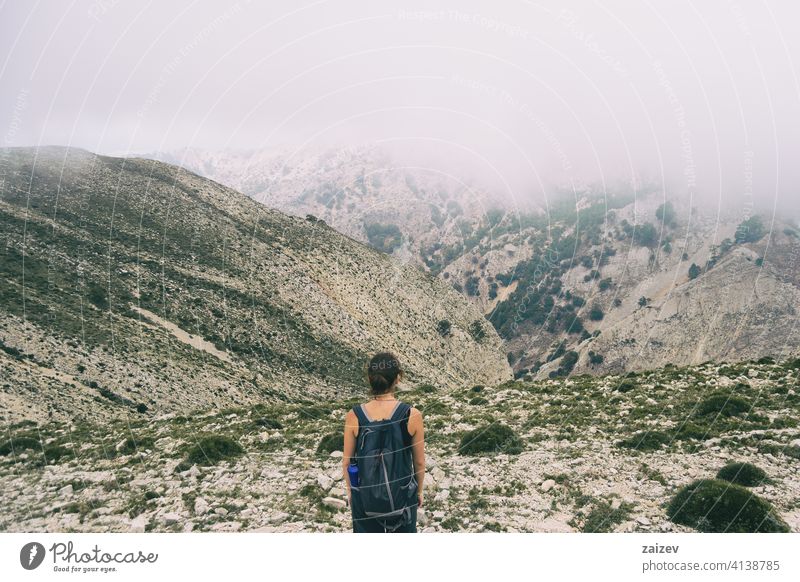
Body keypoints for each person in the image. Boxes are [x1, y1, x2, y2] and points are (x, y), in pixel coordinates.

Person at [342, 352, 425, 533]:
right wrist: (418, 492)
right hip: (403, 498)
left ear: (369, 379)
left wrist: (351, 492)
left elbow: (347, 462)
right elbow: (418, 462)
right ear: (398, 378)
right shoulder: (412, 414)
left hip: (365, 500)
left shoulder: (354, 415)